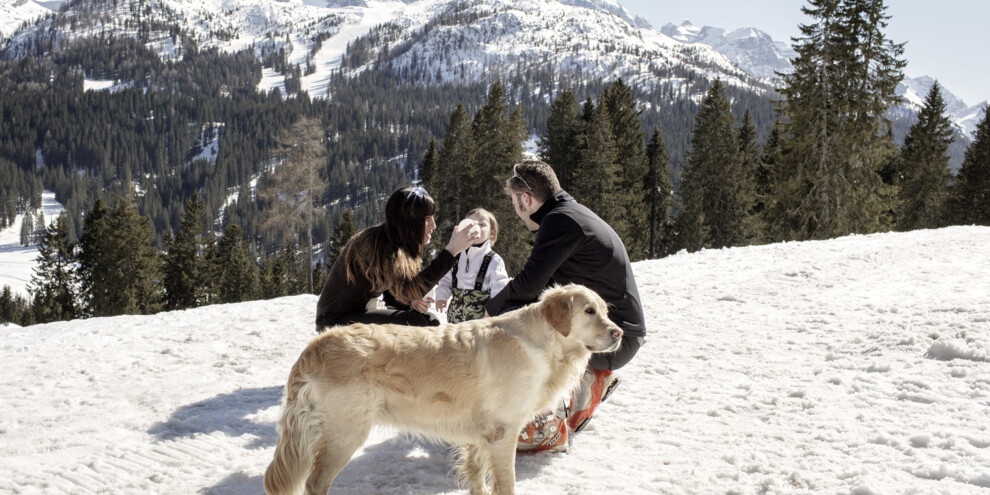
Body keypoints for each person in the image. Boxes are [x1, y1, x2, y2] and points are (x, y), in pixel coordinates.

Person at [485, 160, 647, 452]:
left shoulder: (561, 221)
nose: (515, 208)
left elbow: (528, 285)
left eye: (514, 201)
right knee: (530, 314)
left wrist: (489, 314)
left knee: (514, 324)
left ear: (525, 199)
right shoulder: (569, 214)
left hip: (613, 339)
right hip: (617, 334)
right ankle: (589, 382)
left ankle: (546, 429)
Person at [315, 185, 481, 331]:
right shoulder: (379, 246)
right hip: (334, 322)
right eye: (426, 219)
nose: (433, 225)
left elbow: (391, 288)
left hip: (355, 313)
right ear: (409, 221)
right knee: (416, 325)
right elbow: (411, 289)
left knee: (427, 322)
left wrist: (409, 303)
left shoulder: (391, 240)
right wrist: (452, 250)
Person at [434, 208, 510, 323]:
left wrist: (495, 310)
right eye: (471, 224)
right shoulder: (455, 256)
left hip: (480, 322)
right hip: (455, 318)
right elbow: (445, 281)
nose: (475, 227)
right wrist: (441, 296)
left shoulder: (494, 260)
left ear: (492, 233)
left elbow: (499, 287)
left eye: (481, 224)